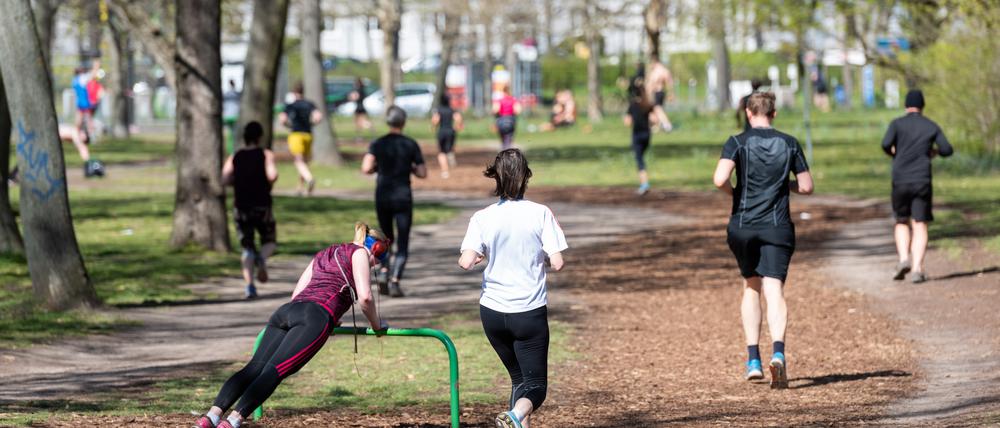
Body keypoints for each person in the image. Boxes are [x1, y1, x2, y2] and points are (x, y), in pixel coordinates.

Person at [192, 222, 390, 428]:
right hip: (315, 317)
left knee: (254, 367)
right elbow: (366, 298)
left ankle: (211, 417)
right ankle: (233, 422)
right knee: (275, 371)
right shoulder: (360, 254)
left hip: (287, 312)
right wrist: (376, 326)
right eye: (379, 258)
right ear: (376, 248)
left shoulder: (325, 253)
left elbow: (297, 294)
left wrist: (329, 314)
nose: (375, 264)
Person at [459, 148, 568, 428]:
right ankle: (515, 416)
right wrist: (541, 256)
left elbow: (466, 262)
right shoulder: (540, 213)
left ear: (495, 176)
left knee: (519, 379)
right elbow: (557, 263)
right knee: (535, 387)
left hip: (492, 313)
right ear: (526, 177)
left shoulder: (482, 217)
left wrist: (482, 254)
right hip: (528, 312)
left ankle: (515, 419)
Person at [712, 92, 813, 389]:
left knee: (751, 285)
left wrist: (736, 192)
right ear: (775, 113)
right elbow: (806, 186)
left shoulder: (737, 142)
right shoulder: (790, 142)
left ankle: (753, 360)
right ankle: (779, 354)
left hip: (743, 226)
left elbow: (719, 179)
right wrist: (785, 185)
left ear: (747, 112)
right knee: (774, 289)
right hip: (778, 226)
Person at [881, 89, 953, 284]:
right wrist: (934, 152)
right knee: (920, 224)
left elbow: (885, 143)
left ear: (906, 105)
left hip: (900, 180)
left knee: (901, 220)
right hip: (922, 180)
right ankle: (916, 269)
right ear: (922, 106)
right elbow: (947, 149)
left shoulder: (897, 124)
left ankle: (904, 258)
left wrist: (895, 154)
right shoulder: (930, 126)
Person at [361, 106, 427, 297]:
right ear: (403, 122)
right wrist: (412, 168)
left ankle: (383, 271)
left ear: (388, 122)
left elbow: (366, 167)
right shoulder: (410, 144)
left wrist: (376, 169)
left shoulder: (378, 143)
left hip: (382, 195)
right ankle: (396, 280)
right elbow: (422, 173)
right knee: (403, 240)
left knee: (386, 237)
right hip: (403, 196)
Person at [222, 121, 279, 299]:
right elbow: (272, 175)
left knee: (247, 247)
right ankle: (261, 257)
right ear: (260, 136)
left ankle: (249, 287)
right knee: (269, 241)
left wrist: (237, 182)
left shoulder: (235, 156)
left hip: (242, 207)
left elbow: (224, 179)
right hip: (262, 205)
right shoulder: (265, 154)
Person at [279, 82, 322, 196]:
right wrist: (311, 124)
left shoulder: (291, 105)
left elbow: (282, 119)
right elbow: (318, 117)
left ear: (294, 92)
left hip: (296, 134)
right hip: (308, 135)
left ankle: (310, 179)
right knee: (304, 163)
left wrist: (289, 126)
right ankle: (300, 188)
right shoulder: (310, 104)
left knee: (298, 161)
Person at [624, 79, 654, 195]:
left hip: (637, 135)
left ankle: (644, 183)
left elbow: (627, 122)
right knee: (641, 158)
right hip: (647, 135)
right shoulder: (647, 104)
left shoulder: (632, 106)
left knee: (639, 160)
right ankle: (644, 183)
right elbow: (654, 119)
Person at [430, 93, 464, 178]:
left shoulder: (438, 110)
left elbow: (435, 120)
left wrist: (433, 126)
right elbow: (458, 118)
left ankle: (445, 171)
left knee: (441, 152)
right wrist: (457, 126)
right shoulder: (452, 109)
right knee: (450, 147)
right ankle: (450, 154)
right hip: (451, 131)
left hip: (442, 131)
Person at [646, 58, 674, 132]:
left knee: (658, 109)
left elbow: (652, 83)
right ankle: (656, 126)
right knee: (655, 110)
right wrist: (670, 93)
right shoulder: (665, 71)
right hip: (660, 92)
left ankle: (667, 124)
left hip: (656, 92)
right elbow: (669, 82)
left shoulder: (657, 71)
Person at [493, 85, 521, 150]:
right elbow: (518, 110)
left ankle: (504, 148)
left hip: (501, 120)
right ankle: (507, 149)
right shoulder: (513, 100)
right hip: (511, 120)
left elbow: (495, 110)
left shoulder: (500, 100)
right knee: (509, 137)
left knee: (503, 137)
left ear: (503, 92)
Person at [350, 77, 373, 142]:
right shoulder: (362, 89)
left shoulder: (358, 90)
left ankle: (360, 136)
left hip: (359, 107)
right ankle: (362, 135)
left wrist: (352, 97)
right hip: (361, 107)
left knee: (359, 122)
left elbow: (355, 97)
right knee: (360, 122)